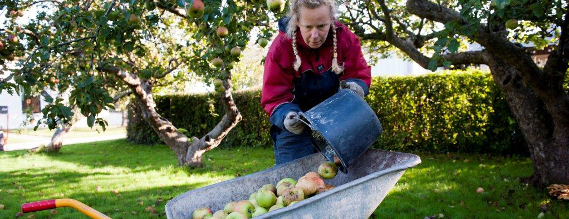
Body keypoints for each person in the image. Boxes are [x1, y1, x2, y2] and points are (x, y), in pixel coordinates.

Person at [261, 0, 372, 165]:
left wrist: (355, 88)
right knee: (296, 181)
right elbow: (275, 96)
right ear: (297, 22)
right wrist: (287, 116)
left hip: (336, 120)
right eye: (308, 27)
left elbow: (358, 72)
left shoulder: (344, 38)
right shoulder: (280, 49)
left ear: (331, 20)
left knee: (347, 174)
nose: (315, 35)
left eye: (321, 26)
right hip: (295, 128)